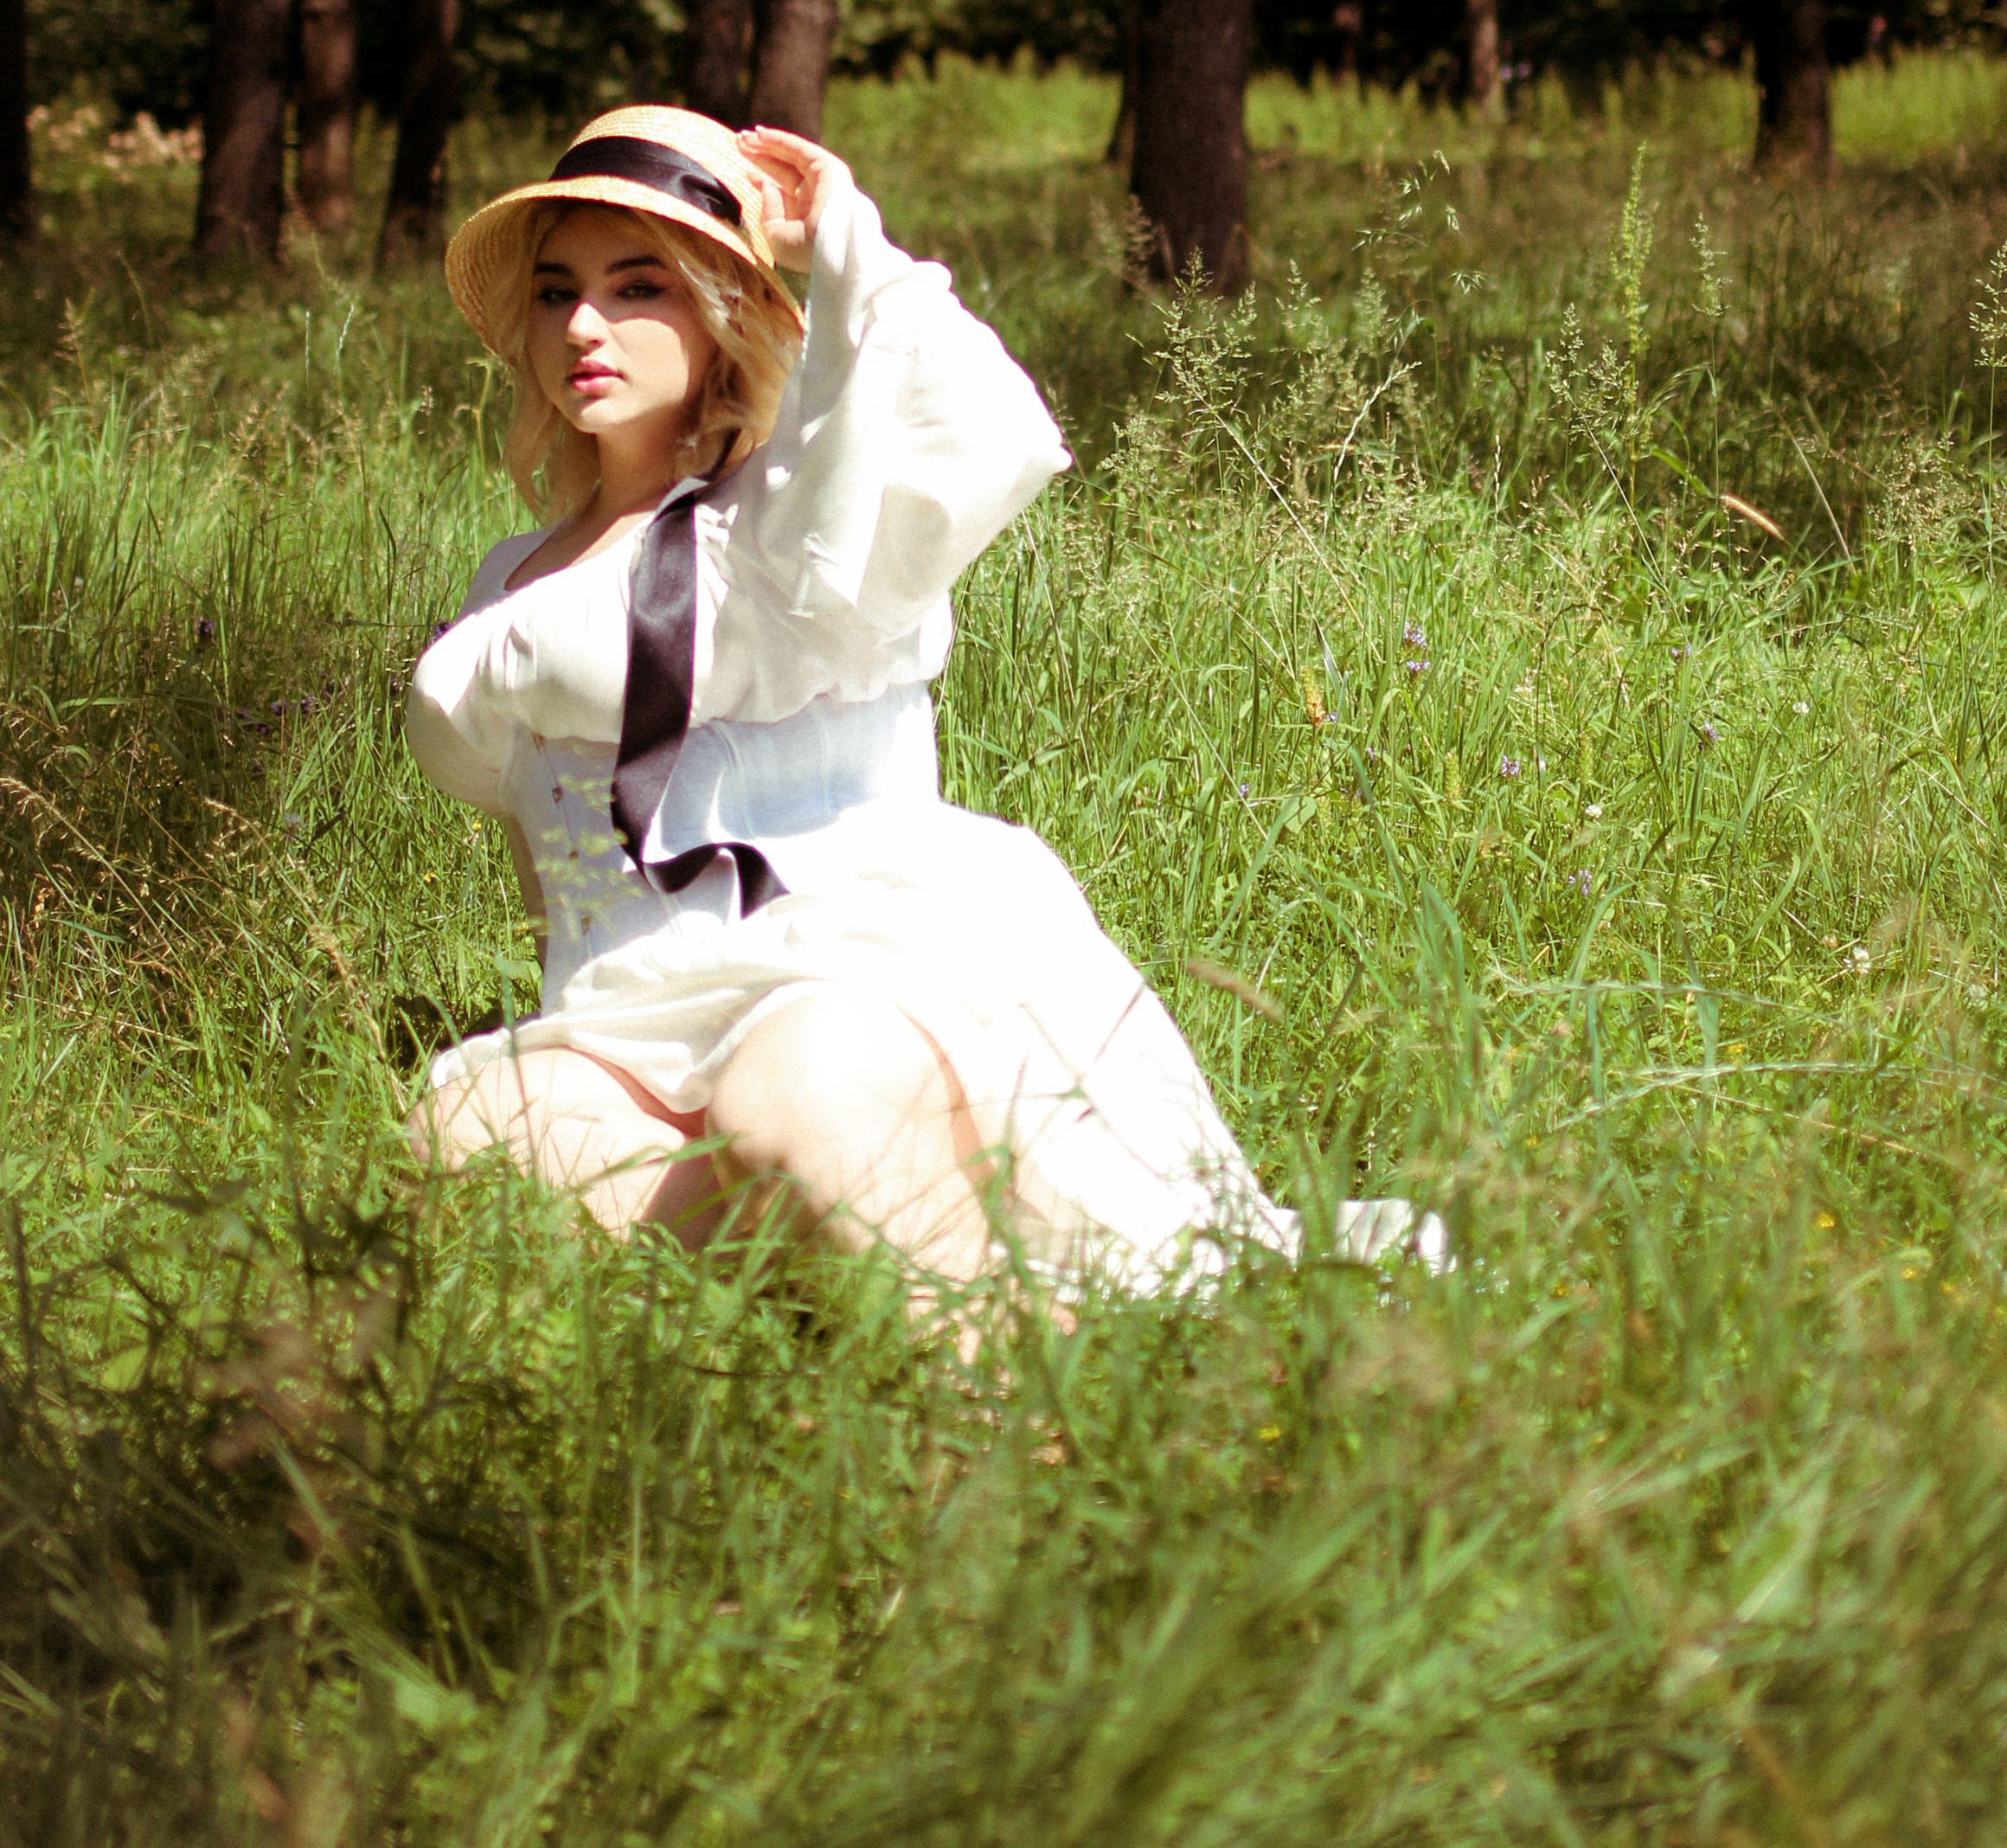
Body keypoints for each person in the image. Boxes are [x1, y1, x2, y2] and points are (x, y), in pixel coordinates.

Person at [404, 106, 1346, 1297]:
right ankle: (827, 1251)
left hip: (836, 977)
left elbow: (981, 433)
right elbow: (543, 845)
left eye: (639, 287)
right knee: (464, 1135)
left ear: (721, 309)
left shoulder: (802, 529)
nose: (586, 325)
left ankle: (987, 1364)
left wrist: (843, 240)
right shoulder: (512, 577)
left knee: (787, 1100)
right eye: (557, 293)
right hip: (628, 1018)